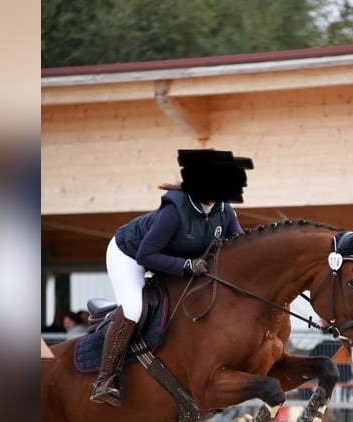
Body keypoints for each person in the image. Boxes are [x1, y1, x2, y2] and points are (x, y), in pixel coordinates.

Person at [90, 149, 253, 406]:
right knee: (134, 308)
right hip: (130, 253)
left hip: (170, 259)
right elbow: (146, 255)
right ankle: (105, 379)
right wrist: (187, 265)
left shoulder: (225, 211)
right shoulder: (174, 210)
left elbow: (240, 248)